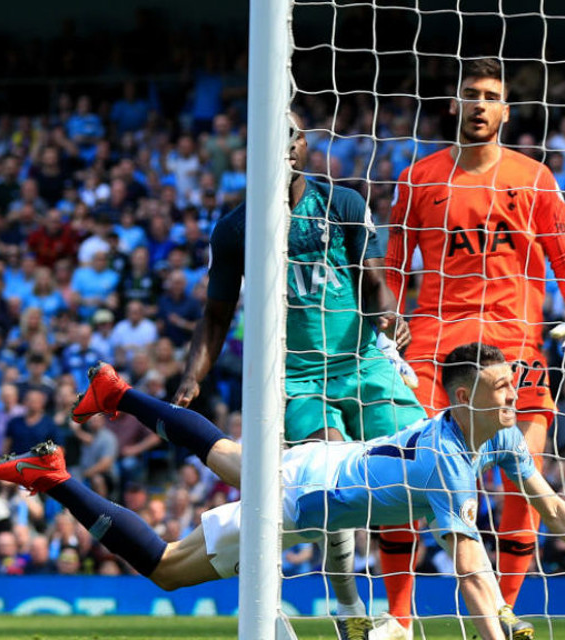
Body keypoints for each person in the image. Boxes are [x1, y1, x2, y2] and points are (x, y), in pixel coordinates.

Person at [0, 344, 565, 640]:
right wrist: (495, 633)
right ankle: (101, 416)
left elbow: (551, 504)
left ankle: (66, 464)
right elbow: (471, 571)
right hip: (298, 496)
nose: (514, 392)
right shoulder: (446, 462)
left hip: (318, 479)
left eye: (511, 384)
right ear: (464, 398)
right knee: (219, 471)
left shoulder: (499, 438)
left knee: (170, 561)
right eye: (500, 386)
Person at [174, 113, 426, 639]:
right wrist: (191, 379)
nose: (286, 147)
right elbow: (216, 315)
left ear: (305, 145)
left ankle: (477, 601)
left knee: (419, 464)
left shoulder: (345, 204)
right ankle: (350, 606)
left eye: (294, 136)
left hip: (362, 362)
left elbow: (374, 282)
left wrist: (388, 319)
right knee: (330, 479)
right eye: (275, 137)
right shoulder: (237, 229)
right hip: (296, 377)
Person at [385, 57, 565, 635]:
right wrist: (383, 332)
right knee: (407, 478)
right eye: (470, 94)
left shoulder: (533, 178)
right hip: (432, 347)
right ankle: (398, 619)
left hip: (514, 347)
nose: (480, 104)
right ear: (454, 104)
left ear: (506, 111)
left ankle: (502, 612)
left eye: (491, 96)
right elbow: (391, 271)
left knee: (521, 480)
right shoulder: (417, 179)